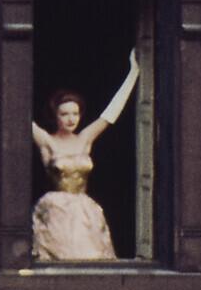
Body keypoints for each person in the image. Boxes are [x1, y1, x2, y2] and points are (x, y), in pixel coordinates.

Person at [28, 58, 139, 263]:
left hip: (85, 212)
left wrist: (133, 73)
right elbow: (19, 113)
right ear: (56, 116)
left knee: (91, 259)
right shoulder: (48, 142)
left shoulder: (84, 139)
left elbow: (110, 114)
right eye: (64, 114)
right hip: (56, 211)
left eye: (75, 113)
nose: (71, 119)